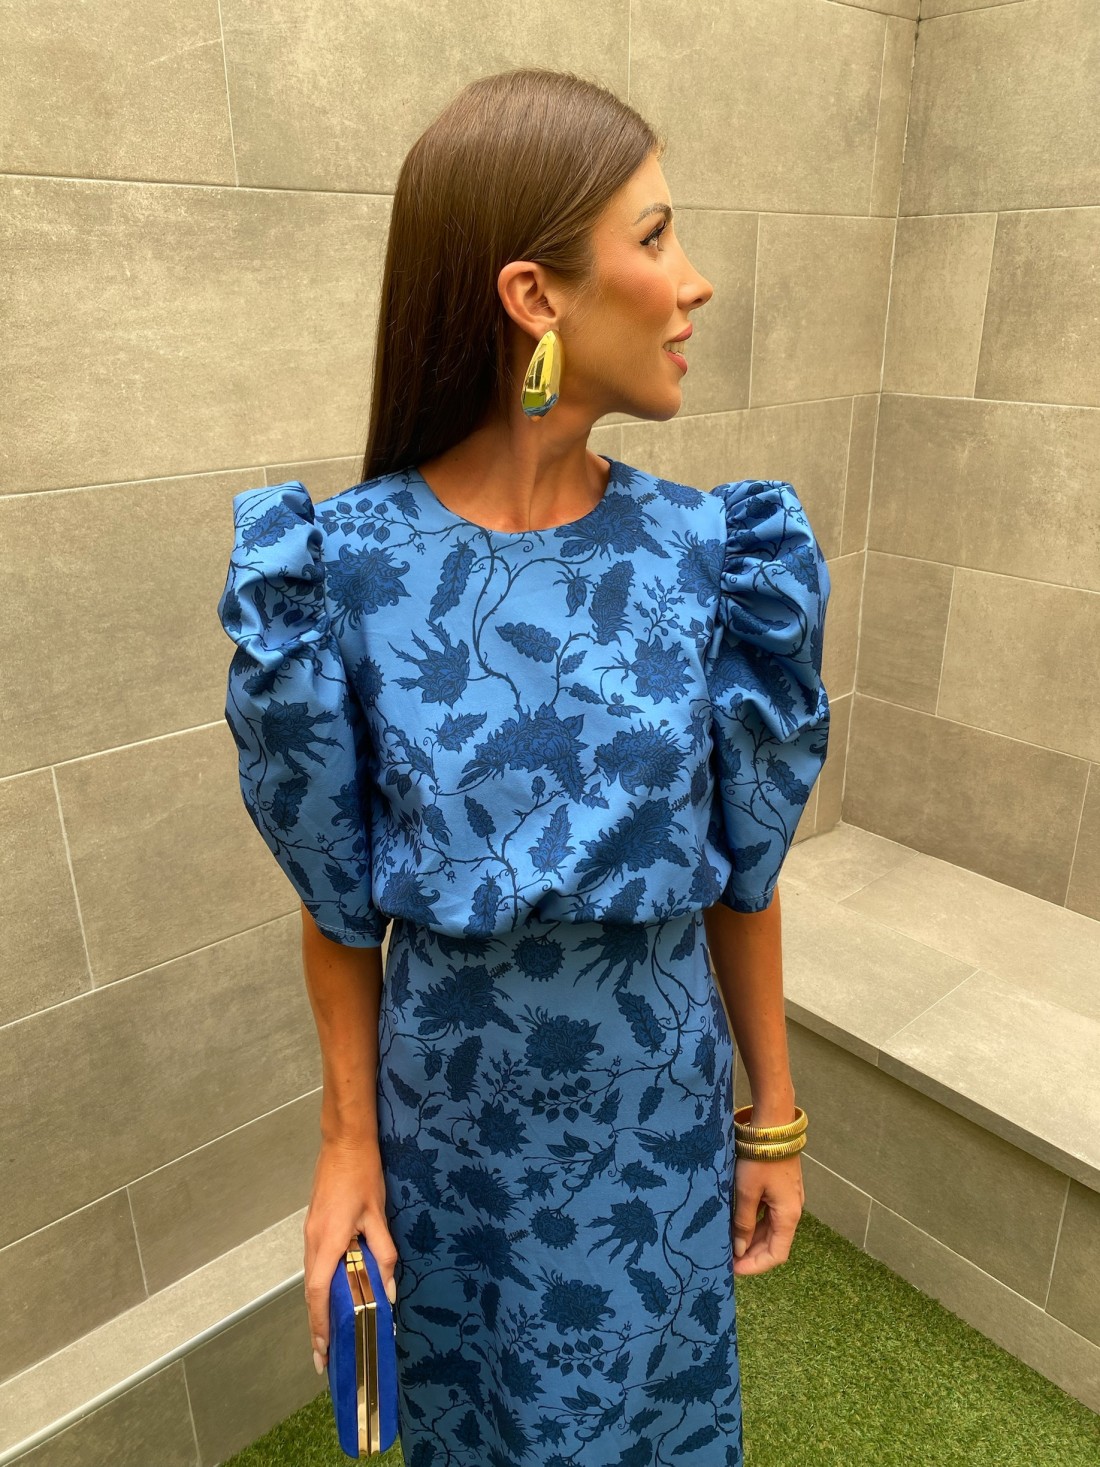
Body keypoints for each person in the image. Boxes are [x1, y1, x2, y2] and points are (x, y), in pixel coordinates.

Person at [217, 66, 830, 1467]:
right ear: (533, 296)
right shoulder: (341, 572)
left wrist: (773, 1116)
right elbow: (336, 904)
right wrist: (345, 1144)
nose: (695, 281)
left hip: (656, 1115)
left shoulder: (715, 559)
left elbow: (743, 868)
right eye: (656, 236)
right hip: (453, 1139)